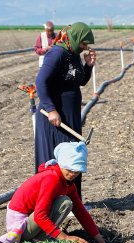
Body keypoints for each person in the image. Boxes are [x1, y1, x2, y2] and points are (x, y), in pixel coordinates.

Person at [0, 142, 112, 243]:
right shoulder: (52, 179)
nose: (72, 174)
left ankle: (41, 236)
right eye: (69, 169)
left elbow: (80, 211)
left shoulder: (68, 183)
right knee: (65, 203)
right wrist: (65, 237)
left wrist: (100, 240)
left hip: (31, 218)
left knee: (67, 202)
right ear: (61, 163)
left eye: (76, 170)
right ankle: (38, 239)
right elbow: (39, 215)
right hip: (20, 225)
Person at [35, 22, 96, 198]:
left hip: (71, 117)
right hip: (55, 117)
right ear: (75, 38)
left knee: (73, 158)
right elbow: (41, 82)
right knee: (57, 162)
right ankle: (51, 202)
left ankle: (72, 201)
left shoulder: (73, 53)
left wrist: (88, 66)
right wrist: (51, 109)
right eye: (84, 43)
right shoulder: (57, 53)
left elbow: (79, 81)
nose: (85, 47)